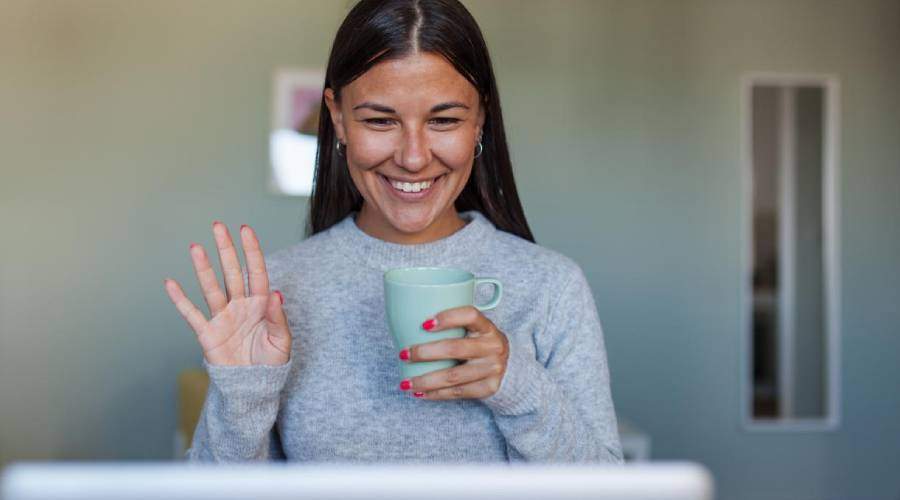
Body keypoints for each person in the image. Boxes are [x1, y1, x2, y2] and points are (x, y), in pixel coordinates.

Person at [163, 0, 623, 464]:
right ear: (338, 118)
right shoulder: (277, 295)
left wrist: (516, 385)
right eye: (380, 120)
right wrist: (242, 397)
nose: (413, 157)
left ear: (480, 119)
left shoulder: (551, 287)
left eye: (444, 120)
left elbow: (609, 492)